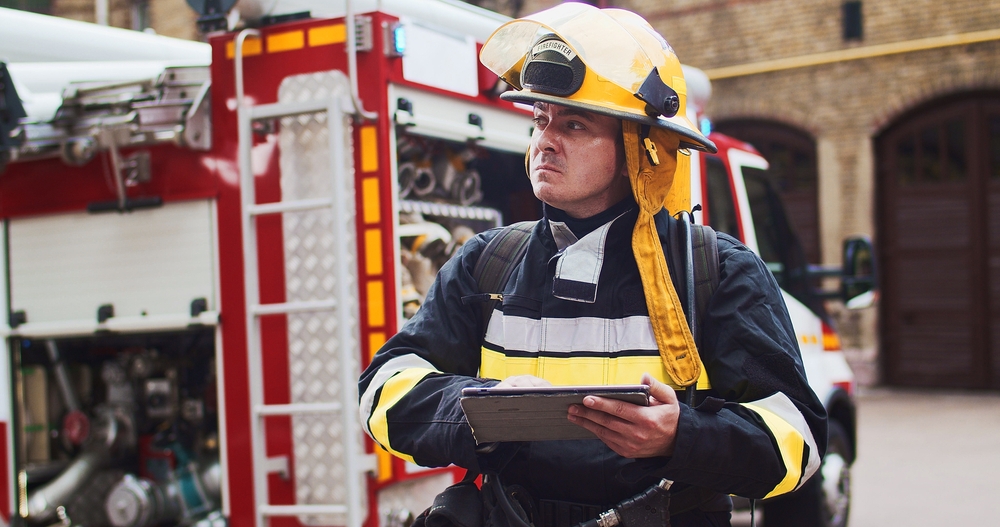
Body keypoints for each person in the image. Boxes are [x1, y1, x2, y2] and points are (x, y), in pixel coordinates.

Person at [359, 4, 827, 526]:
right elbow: (383, 388)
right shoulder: (486, 265)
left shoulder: (717, 273)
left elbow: (798, 443)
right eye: (540, 120)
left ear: (642, 150)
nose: (545, 141)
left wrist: (681, 436)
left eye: (575, 124)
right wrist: (481, 407)